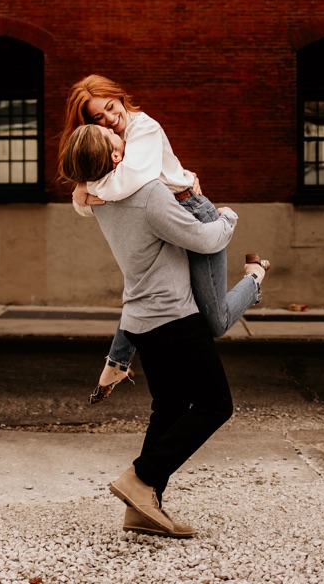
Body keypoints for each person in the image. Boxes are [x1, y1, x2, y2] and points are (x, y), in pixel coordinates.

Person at [59, 122, 246, 538]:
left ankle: (143, 507)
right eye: (114, 139)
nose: (122, 137)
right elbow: (202, 238)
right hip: (174, 317)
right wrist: (229, 216)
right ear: (114, 157)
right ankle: (141, 477)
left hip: (142, 321)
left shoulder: (101, 198)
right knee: (216, 405)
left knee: (172, 407)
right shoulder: (145, 195)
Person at [58, 74, 269, 404]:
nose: (110, 120)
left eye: (111, 108)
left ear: (121, 98)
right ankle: (117, 362)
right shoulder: (107, 142)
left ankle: (254, 277)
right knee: (147, 287)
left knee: (216, 321)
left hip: (189, 210)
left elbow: (129, 183)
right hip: (157, 213)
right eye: (98, 117)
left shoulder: (144, 129)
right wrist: (83, 194)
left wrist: (88, 188)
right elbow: (103, 198)